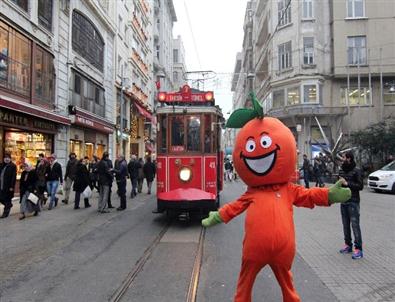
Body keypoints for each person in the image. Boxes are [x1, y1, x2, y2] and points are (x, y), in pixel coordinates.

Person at [338, 151, 364, 259]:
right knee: (345, 225)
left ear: (349, 158)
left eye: (343, 157)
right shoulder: (341, 170)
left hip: (353, 201)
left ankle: (358, 249)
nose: (342, 159)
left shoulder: (356, 170)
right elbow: (339, 184)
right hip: (343, 201)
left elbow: (360, 186)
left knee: (355, 225)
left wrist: (347, 184)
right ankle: (348, 245)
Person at [0, 153, 17, 218]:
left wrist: (12, 186)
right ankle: (9, 205)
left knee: (7, 199)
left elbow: (13, 177)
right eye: (5, 158)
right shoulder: (1, 165)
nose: (6, 159)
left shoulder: (13, 166)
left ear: (10, 159)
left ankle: (5, 213)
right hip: (1, 185)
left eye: (8, 158)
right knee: (1, 198)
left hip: (8, 186)